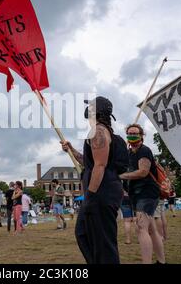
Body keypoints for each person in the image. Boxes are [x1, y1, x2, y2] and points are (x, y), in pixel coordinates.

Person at [61, 96, 128, 264]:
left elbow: (99, 166)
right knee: (83, 233)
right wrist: (71, 150)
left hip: (100, 193)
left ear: (97, 111)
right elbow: (90, 162)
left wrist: (89, 196)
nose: (88, 110)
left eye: (91, 107)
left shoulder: (98, 132)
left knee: (103, 242)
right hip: (104, 191)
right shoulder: (103, 132)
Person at [120, 123, 166, 264]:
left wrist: (121, 176)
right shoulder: (127, 153)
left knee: (141, 228)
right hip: (136, 195)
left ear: (142, 136)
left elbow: (143, 171)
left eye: (135, 133)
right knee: (151, 230)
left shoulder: (144, 151)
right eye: (130, 133)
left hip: (147, 194)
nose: (132, 136)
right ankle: (161, 261)